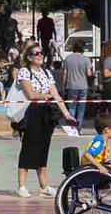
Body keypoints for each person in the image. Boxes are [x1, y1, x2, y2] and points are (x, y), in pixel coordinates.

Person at [11, 42, 69, 198]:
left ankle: (44, 185)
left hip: (46, 113)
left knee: (44, 148)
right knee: (29, 148)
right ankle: (21, 186)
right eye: (36, 53)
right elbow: (31, 94)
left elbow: (56, 94)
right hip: (32, 112)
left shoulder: (46, 72)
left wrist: (66, 114)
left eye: (41, 53)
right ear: (29, 57)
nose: (40, 56)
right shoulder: (24, 72)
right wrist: (47, 96)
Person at [61, 40, 92, 128]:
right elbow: (89, 74)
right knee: (81, 108)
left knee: (71, 107)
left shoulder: (68, 58)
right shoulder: (86, 59)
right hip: (83, 86)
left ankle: (72, 127)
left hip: (71, 85)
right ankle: (79, 128)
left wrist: (63, 86)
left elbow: (64, 74)